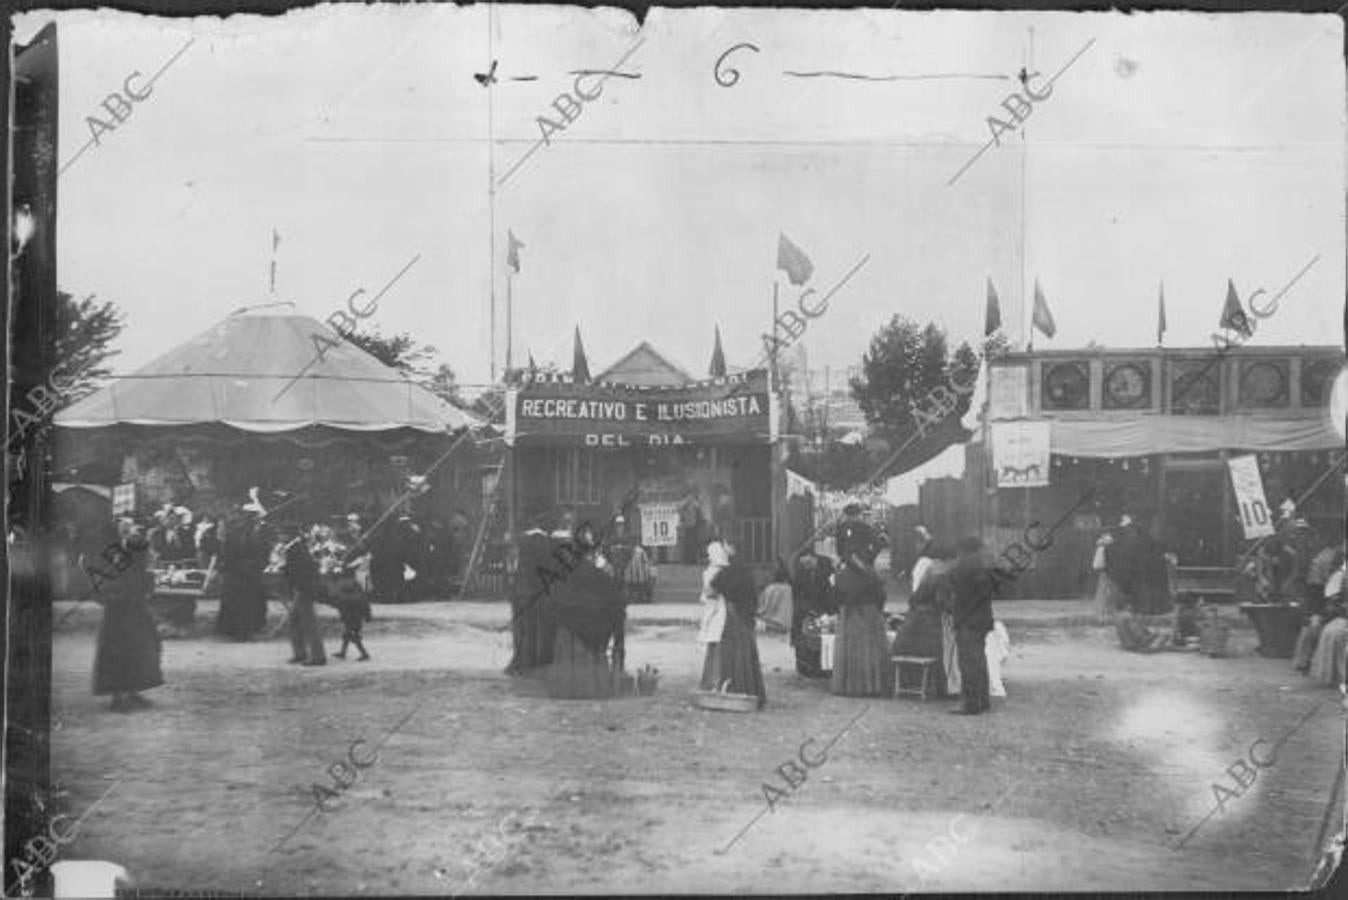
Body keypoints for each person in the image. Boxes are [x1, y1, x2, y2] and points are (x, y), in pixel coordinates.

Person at [91, 519, 163, 711]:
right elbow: (101, 586)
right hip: (117, 615)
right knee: (117, 652)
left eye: (129, 526)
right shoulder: (113, 558)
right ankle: (117, 697)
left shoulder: (137, 558)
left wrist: (146, 586)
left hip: (137, 612)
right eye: (123, 526)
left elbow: (144, 578)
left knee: (141, 649)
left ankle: (133, 691)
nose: (127, 529)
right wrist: (114, 595)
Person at [544, 535, 624, 699]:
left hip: (572, 632)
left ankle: (567, 688)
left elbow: (554, 600)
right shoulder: (604, 572)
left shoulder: (567, 572)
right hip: (596, 632)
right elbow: (617, 600)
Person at [699, 540, 766, 708]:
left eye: (726, 544)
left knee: (733, 655)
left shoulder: (729, 571)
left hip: (733, 615)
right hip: (745, 614)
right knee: (745, 654)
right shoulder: (744, 569)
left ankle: (732, 690)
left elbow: (711, 591)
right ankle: (749, 690)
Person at [892, 544, 955, 696]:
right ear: (946, 561)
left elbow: (913, 601)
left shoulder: (927, 574)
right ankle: (946, 686)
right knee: (951, 644)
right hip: (930, 631)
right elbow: (945, 605)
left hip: (909, 632)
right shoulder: (942, 577)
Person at [830, 553, 893, 698]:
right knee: (869, 650)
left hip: (848, 615)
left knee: (850, 650)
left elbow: (835, 597)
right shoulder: (871, 574)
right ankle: (872, 685)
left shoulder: (841, 576)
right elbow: (881, 596)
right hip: (870, 614)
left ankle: (848, 685)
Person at [947, 536, 995, 715]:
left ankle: (970, 703)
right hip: (982, 619)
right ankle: (982, 700)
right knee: (979, 660)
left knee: (967, 663)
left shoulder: (961, 567)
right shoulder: (982, 566)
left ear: (962, 550)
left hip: (966, 620)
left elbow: (957, 593)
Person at [507, 515, 554, 676]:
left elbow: (513, 567)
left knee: (522, 629)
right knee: (539, 628)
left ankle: (521, 662)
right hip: (540, 591)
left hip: (522, 590)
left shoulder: (521, 541)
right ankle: (538, 662)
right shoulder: (549, 542)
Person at [216, 500, 270, 640]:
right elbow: (230, 551)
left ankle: (249, 629)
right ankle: (240, 632)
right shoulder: (238, 530)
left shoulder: (254, 530)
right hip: (238, 571)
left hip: (249, 570)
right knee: (241, 602)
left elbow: (261, 549)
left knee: (251, 601)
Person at [281, 524, 326, 666]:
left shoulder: (296, 549)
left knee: (308, 622)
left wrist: (299, 587)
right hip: (302, 587)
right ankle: (300, 653)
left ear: (289, 535)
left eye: (282, 533)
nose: (279, 536)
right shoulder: (297, 547)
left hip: (304, 588)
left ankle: (317, 656)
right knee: (294, 620)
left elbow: (301, 570)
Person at [791, 548, 836, 678]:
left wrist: (828, 610)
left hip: (824, 608)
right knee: (802, 639)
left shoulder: (827, 569)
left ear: (814, 558)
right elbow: (797, 593)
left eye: (808, 563)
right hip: (804, 610)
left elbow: (830, 591)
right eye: (803, 564)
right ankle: (805, 668)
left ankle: (822, 668)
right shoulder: (800, 572)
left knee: (822, 639)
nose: (806, 566)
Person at [1309, 564, 1347, 687]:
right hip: (1342, 617)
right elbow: (1330, 604)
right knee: (1332, 631)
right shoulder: (1339, 577)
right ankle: (1334, 676)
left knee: (1338, 632)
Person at [756, 565, 793, 634]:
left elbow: (763, 606)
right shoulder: (789, 588)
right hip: (787, 622)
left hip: (771, 621)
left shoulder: (769, 588)